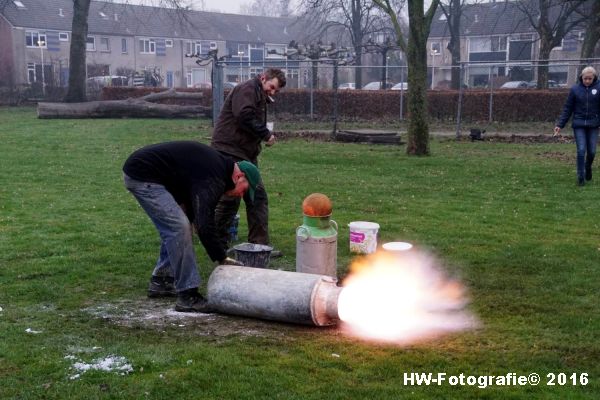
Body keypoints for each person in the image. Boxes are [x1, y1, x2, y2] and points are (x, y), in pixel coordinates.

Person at [122, 141, 261, 312]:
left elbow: (197, 212)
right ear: (239, 177)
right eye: (245, 190)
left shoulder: (217, 169)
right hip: (144, 175)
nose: (241, 195)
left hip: (155, 175)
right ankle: (188, 295)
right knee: (179, 228)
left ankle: (162, 280)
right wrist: (221, 257)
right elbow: (204, 224)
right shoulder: (215, 176)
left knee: (180, 225)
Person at [211, 68, 287, 253]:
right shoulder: (247, 89)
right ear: (263, 78)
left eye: (276, 90)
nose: (273, 92)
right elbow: (244, 116)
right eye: (272, 87)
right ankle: (224, 242)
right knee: (241, 196)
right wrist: (266, 135)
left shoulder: (258, 92)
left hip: (243, 152)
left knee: (246, 197)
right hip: (230, 150)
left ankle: (232, 242)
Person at [554, 66, 600, 186]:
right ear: (581, 77)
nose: (587, 81)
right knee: (581, 150)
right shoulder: (575, 89)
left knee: (592, 152)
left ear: (594, 78)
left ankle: (587, 167)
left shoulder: (599, 88)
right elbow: (568, 108)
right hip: (579, 124)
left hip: (593, 124)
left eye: (590, 78)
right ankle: (580, 176)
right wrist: (560, 124)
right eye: (585, 78)